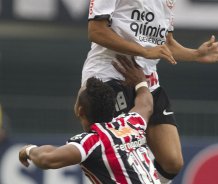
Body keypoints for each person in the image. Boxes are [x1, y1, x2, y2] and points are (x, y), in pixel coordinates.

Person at [83, 0, 218, 182]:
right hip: (110, 77)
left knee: (172, 162)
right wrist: (144, 51)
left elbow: (166, 44)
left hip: (147, 81)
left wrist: (196, 54)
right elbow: (96, 31)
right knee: (119, 158)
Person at [19, 56, 161, 184]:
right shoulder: (131, 123)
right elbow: (146, 104)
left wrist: (28, 150)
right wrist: (141, 81)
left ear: (79, 110)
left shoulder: (93, 142)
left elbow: (46, 158)